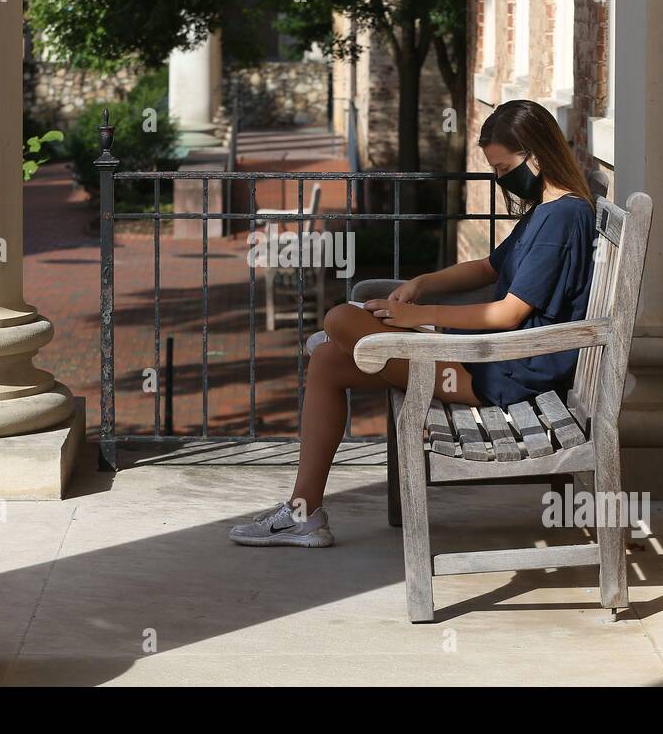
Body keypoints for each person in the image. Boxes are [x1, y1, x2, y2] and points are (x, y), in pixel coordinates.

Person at [229, 100, 597, 548]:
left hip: (505, 370)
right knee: (327, 360)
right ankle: (304, 514)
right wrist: (421, 284)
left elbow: (508, 313)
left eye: (502, 168)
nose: (500, 179)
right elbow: (488, 267)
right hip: (486, 356)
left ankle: (353, 338)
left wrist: (418, 317)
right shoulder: (545, 210)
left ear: (535, 156)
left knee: (341, 316)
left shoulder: (563, 217)